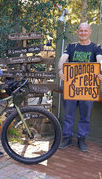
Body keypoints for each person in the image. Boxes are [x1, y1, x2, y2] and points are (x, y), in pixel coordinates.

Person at [58, 22, 102, 152]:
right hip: (72, 87)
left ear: (89, 32)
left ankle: (81, 139)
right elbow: (63, 58)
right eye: (80, 31)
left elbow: (100, 60)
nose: (83, 33)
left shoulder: (96, 47)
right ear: (77, 32)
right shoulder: (71, 46)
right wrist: (60, 70)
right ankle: (67, 137)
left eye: (85, 30)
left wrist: (100, 72)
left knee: (85, 116)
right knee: (68, 115)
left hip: (87, 88)